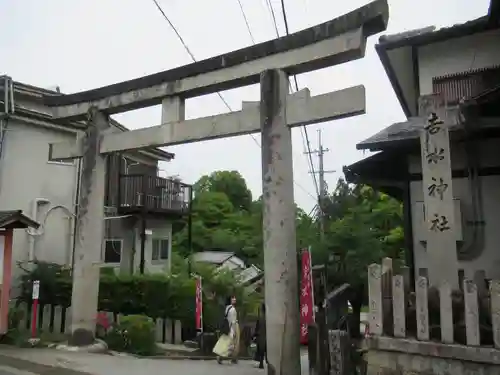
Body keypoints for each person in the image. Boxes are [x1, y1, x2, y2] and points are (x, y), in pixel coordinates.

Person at [213, 296, 240, 364]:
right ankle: (222, 357)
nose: (234, 299)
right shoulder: (233, 309)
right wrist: (233, 331)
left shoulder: (227, 308)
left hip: (227, 327)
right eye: (233, 298)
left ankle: (233, 358)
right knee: (233, 343)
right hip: (233, 327)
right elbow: (232, 321)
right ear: (230, 300)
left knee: (228, 343)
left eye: (234, 298)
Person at [253, 303, 267, 369]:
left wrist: (254, 335)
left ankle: (261, 363)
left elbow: (257, 328)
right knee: (267, 351)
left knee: (261, 351)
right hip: (267, 336)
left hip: (261, 336)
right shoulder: (269, 318)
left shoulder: (260, 318)